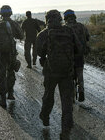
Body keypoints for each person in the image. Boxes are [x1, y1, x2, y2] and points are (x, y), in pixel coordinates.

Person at [36, 10, 82, 139]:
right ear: (60, 19)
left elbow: (40, 52)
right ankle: (66, 130)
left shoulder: (43, 34)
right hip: (67, 72)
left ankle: (45, 116)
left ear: (47, 20)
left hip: (51, 71)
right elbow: (79, 49)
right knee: (67, 101)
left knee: (48, 95)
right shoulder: (69, 31)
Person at [0, 5, 24, 108]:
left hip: (0, 53)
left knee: (1, 75)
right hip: (11, 53)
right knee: (10, 73)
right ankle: (10, 94)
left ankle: (3, 99)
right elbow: (21, 36)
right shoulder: (13, 24)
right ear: (10, 13)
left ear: (1, 14)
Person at [64, 9, 90, 102]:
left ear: (65, 18)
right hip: (79, 55)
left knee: (70, 76)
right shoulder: (81, 26)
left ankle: (72, 95)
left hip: (68, 56)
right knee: (80, 74)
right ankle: (81, 90)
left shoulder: (64, 28)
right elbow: (88, 37)